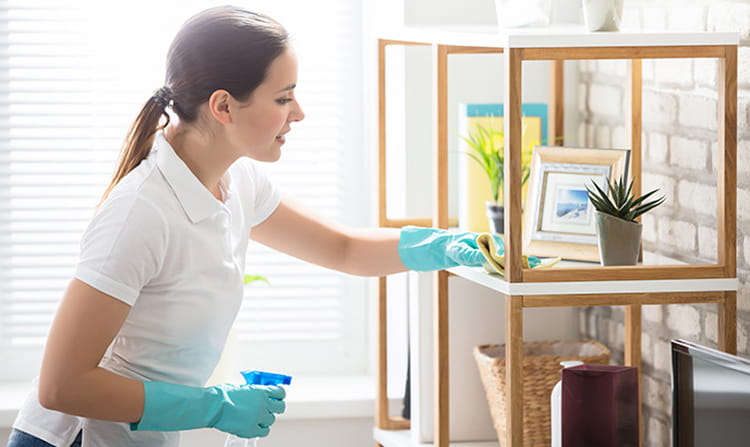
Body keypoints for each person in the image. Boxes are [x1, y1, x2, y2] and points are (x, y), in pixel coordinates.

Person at [7, 6, 496, 447]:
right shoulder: (141, 212)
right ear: (223, 107)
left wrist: (444, 245)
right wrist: (214, 406)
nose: (299, 113)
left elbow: (343, 249)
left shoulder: (237, 181)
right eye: (284, 98)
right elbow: (61, 384)